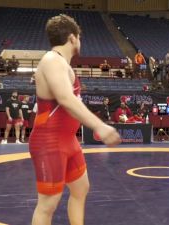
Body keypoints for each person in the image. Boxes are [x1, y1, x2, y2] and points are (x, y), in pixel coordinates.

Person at [28, 14, 121, 225]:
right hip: (49, 141)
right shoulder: (52, 60)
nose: (80, 42)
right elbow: (65, 98)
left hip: (68, 140)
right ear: (72, 38)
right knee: (48, 203)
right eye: (79, 37)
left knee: (81, 188)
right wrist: (100, 126)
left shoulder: (61, 64)